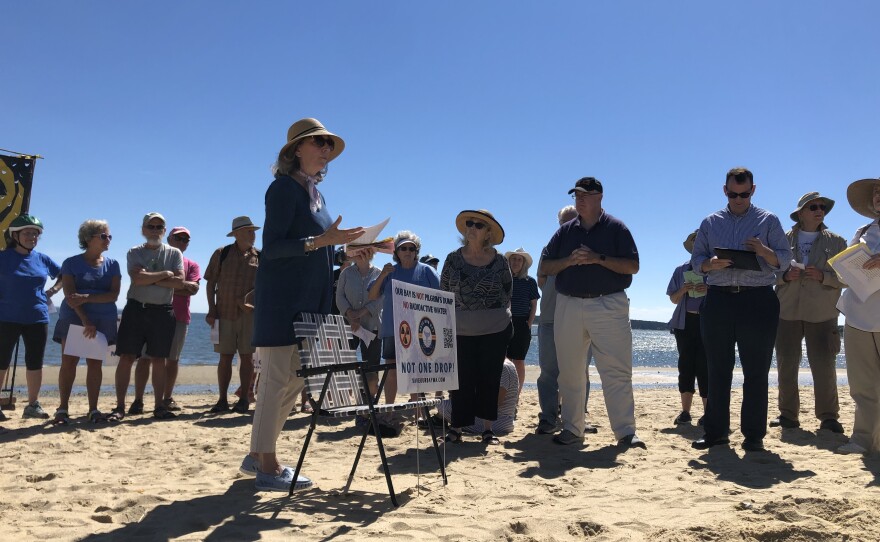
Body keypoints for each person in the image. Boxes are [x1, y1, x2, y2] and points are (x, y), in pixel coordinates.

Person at [240, 118, 364, 492]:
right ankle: (267, 464)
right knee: (277, 381)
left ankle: (257, 454)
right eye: (318, 143)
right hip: (282, 301)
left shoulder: (317, 195)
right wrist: (319, 241)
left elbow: (318, 243)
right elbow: (274, 248)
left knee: (294, 382)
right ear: (297, 150)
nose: (326, 150)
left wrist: (343, 246)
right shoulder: (281, 189)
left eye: (329, 145)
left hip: (311, 305)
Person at [690, 167, 791, 452]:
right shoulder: (710, 222)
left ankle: (754, 436)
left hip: (758, 300)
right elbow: (696, 259)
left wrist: (763, 251)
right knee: (717, 369)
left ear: (753, 190)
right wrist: (709, 264)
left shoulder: (768, 220)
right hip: (719, 300)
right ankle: (716, 433)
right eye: (733, 194)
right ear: (725, 190)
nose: (738, 199)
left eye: (744, 194)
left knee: (756, 371)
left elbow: (784, 261)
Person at [539, 178, 644, 449]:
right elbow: (547, 266)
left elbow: (633, 265)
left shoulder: (616, 228)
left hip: (609, 304)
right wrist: (569, 261)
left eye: (586, 195)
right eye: (577, 195)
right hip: (569, 305)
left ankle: (625, 433)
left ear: (600, 197)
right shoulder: (565, 232)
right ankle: (573, 429)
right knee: (570, 371)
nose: (580, 200)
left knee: (616, 371)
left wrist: (598, 258)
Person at [772, 192, 847, 433]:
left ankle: (828, 417)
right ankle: (787, 416)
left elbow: (847, 277)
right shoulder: (782, 239)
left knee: (825, 366)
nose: (819, 210)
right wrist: (784, 276)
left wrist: (823, 276)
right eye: (813, 207)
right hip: (787, 311)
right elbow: (765, 272)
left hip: (823, 313)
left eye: (822, 207)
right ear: (800, 213)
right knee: (786, 365)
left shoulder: (837, 242)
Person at [440, 209, 512, 445]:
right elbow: (443, 293)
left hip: (495, 329)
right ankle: (457, 428)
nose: (472, 228)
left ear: (488, 232)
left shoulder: (500, 260)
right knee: (460, 380)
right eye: (469, 223)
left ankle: (487, 430)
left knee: (489, 379)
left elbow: (507, 291)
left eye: (478, 225)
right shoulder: (452, 258)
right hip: (460, 330)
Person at [111, 212, 185, 421]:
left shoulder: (174, 254)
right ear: (143, 229)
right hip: (136, 309)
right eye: (150, 226)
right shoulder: (134, 252)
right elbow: (137, 278)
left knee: (159, 359)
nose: (154, 230)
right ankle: (119, 407)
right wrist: (164, 274)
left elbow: (179, 282)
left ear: (164, 230)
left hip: (162, 311)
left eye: (158, 227)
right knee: (126, 357)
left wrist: (149, 278)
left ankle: (159, 406)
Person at [368, 231, 440, 436]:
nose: (407, 252)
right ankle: (389, 410)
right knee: (391, 372)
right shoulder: (389, 271)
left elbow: (442, 297)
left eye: (411, 248)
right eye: (403, 248)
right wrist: (382, 274)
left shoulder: (426, 271)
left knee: (416, 372)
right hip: (392, 329)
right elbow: (372, 295)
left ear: (417, 251)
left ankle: (418, 412)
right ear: (397, 251)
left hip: (420, 331)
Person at [536, 205, 598, 435]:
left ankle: (578, 418)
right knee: (549, 372)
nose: (570, 226)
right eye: (565, 222)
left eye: (574, 221)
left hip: (582, 319)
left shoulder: (591, 249)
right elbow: (542, 279)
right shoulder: (549, 248)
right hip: (551, 318)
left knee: (580, 372)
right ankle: (548, 418)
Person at [52, 220, 121, 423]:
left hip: (104, 318)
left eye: (109, 236)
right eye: (103, 236)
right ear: (88, 238)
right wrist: (86, 320)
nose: (108, 240)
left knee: (95, 364)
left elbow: (113, 295)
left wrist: (88, 297)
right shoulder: (71, 263)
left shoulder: (112, 264)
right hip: (74, 316)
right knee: (69, 362)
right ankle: (62, 408)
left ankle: (93, 409)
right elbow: (70, 295)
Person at [0, 214, 62, 420]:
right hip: (6, 317)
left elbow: (64, 275)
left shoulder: (42, 258)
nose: (32, 237)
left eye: (35, 234)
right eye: (27, 233)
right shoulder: (3, 257)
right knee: (1, 361)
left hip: (37, 316)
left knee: (35, 361)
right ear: (15, 235)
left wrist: (52, 291)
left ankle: (32, 404)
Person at [836, 177, 880, 455]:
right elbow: (843, 274)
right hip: (858, 316)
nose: (878, 196)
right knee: (862, 386)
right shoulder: (862, 230)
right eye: (876, 193)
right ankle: (863, 440)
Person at [204, 216, 260, 414]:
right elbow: (210, 283)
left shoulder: (259, 256)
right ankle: (222, 400)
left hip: (249, 315)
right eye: (248, 231)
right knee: (224, 357)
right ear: (236, 234)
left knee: (247, 358)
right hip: (224, 312)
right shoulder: (222, 253)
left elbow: (266, 286)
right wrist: (211, 309)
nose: (252, 235)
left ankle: (244, 398)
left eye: (253, 231)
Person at [666, 230, 708, 426]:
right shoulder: (681, 270)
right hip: (685, 324)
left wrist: (708, 290)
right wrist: (683, 289)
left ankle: (709, 413)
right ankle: (685, 412)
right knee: (686, 367)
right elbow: (673, 299)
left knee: (705, 368)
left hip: (708, 324)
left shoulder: (715, 270)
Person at [336, 247, 382, 403]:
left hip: (372, 326)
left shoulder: (379, 273)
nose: (360, 254)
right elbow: (339, 297)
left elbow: (381, 300)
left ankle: (370, 402)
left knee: (371, 367)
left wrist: (360, 313)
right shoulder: (345, 274)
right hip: (349, 326)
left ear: (371, 253)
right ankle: (345, 399)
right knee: (345, 362)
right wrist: (350, 314)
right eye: (357, 251)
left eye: (364, 250)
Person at [162, 226, 201, 411]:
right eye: (178, 238)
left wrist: (166, 284)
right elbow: (150, 282)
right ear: (169, 239)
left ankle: (167, 397)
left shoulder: (191, 264)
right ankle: (142, 398)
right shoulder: (158, 259)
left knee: (173, 359)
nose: (182, 242)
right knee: (150, 359)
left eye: (186, 239)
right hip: (156, 314)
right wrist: (180, 286)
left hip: (180, 316)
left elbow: (193, 289)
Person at [437, 359, 519, 434]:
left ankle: (440, 418)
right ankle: (441, 418)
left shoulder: (503, 367)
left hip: (498, 422)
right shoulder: (509, 364)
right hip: (505, 420)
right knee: (455, 403)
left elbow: (496, 402)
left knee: (442, 405)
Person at [504, 247, 539, 396]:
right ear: (509, 261)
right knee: (505, 361)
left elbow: (534, 305)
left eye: (519, 259)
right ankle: (505, 393)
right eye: (514, 259)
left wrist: (529, 324)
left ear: (523, 263)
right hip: (504, 323)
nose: (516, 262)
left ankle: (516, 395)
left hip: (522, 323)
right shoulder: (504, 279)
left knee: (518, 361)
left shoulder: (529, 281)